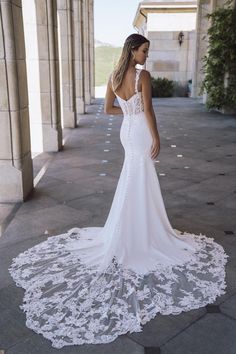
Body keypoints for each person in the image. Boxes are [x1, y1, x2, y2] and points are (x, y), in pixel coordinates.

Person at [9, 33, 228, 349]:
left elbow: (110, 109)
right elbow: (149, 110)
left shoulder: (114, 76)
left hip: (126, 131)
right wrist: (156, 138)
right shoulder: (142, 76)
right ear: (132, 50)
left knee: (132, 177)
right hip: (139, 130)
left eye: (147, 51)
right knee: (140, 177)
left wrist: (129, 112)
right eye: (144, 50)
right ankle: (142, 231)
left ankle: (130, 228)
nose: (146, 56)